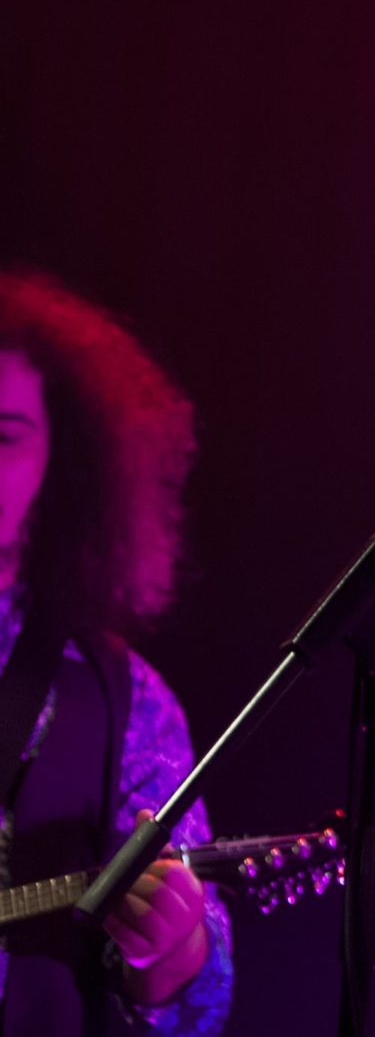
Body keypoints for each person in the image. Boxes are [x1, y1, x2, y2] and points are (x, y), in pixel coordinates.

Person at [0, 270, 232, 1035]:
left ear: (56, 468)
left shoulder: (122, 698)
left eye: (4, 436)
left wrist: (170, 948)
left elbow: (202, 1003)